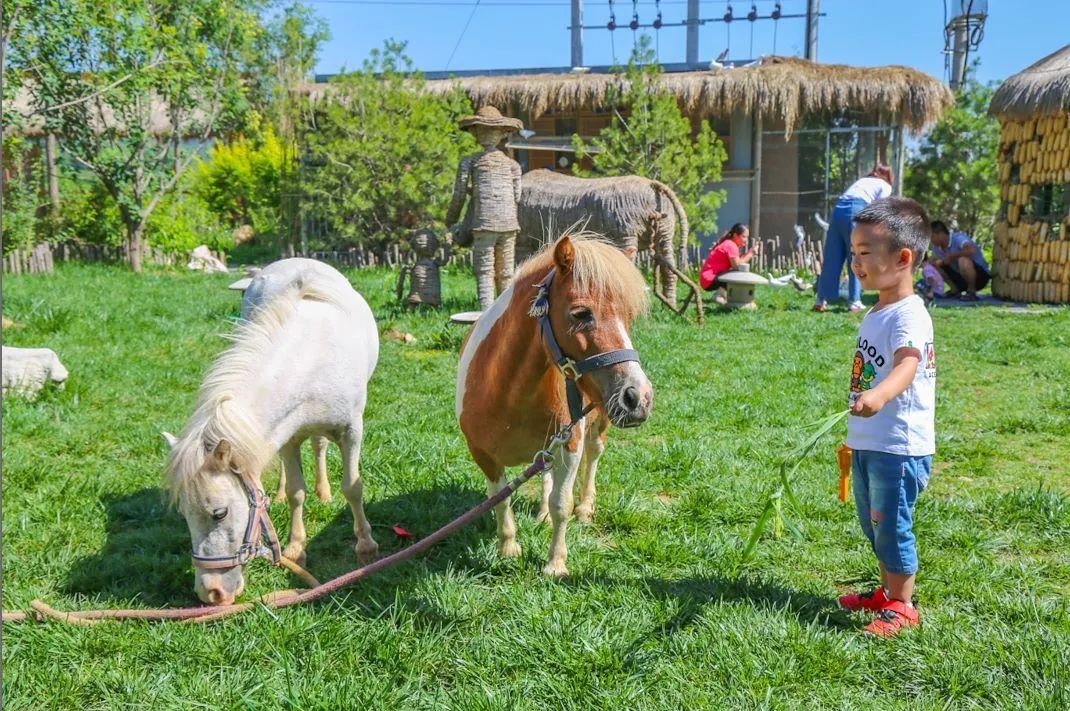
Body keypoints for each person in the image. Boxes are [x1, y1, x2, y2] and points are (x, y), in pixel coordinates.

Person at [840, 196, 936, 638]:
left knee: (891, 524)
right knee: (874, 522)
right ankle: (886, 592)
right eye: (853, 252)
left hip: (897, 445)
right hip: (870, 439)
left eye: (865, 253)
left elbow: (907, 366)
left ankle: (902, 605)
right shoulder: (878, 309)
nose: (855, 262)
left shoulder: (908, 314)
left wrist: (878, 395)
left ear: (902, 258)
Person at [446, 106, 524, 310]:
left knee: (485, 271)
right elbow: (517, 196)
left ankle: (487, 314)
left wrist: (451, 220)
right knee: (506, 271)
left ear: (475, 132)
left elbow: (459, 194)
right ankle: (506, 311)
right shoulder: (513, 165)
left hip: (484, 223)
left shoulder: (470, 162)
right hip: (508, 223)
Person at [814, 164, 895, 313]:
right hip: (856, 209)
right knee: (858, 257)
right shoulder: (885, 185)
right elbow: (879, 210)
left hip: (838, 210)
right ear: (889, 176)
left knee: (832, 256)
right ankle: (855, 301)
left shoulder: (863, 181)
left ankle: (820, 300)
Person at [698, 223, 760, 304]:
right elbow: (737, 266)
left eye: (747, 237)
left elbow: (737, 262)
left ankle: (723, 295)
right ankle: (720, 296)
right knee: (737, 274)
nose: (746, 240)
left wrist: (749, 253)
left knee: (735, 274)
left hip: (707, 279)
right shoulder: (730, 245)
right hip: (710, 279)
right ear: (735, 235)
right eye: (744, 237)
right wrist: (751, 253)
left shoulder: (729, 243)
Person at [929, 221, 991, 301]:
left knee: (963, 260)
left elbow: (971, 250)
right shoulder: (937, 248)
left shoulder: (958, 238)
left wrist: (951, 257)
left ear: (940, 234)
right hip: (961, 279)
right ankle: (955, 290)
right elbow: (932, 260)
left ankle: (971, 292)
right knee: (934, 265)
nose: (931, 240)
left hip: (980, 277)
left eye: (932, 237)